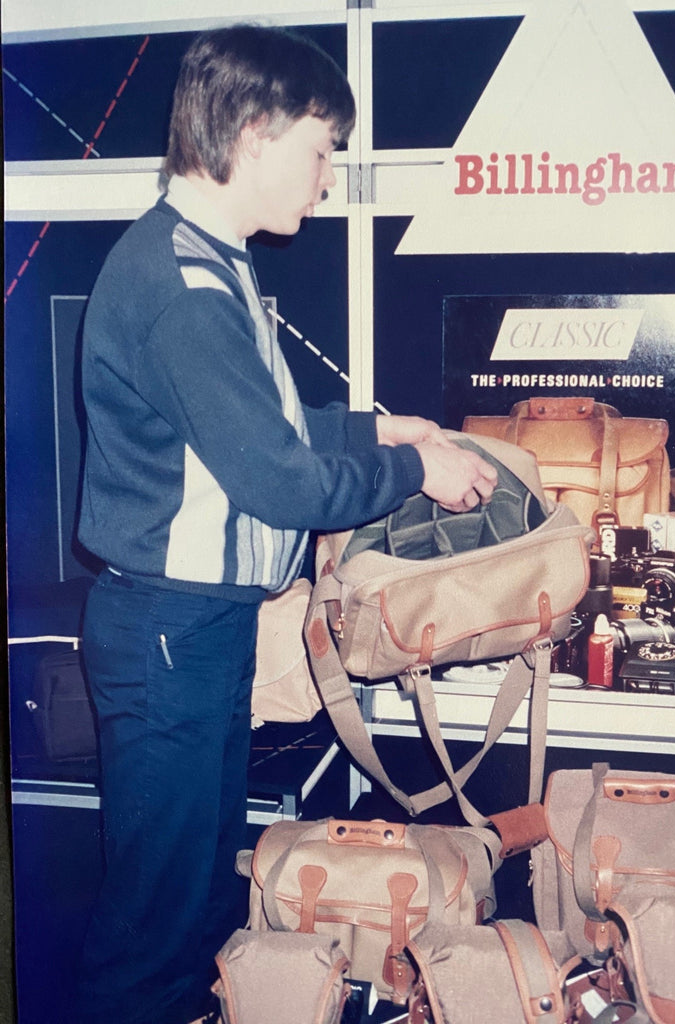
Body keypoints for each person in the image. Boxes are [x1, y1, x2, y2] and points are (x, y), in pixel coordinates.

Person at [75, 23, 497, 1024]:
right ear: (255, 132)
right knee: (157, 928)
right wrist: (413, 469)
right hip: (167, 633)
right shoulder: (181, 284)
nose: (331, 174)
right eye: (321, 147)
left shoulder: (206, 260)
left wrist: (375, 424)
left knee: (193, 903)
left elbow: (248, 425)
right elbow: (281, 480)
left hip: (192, 632)